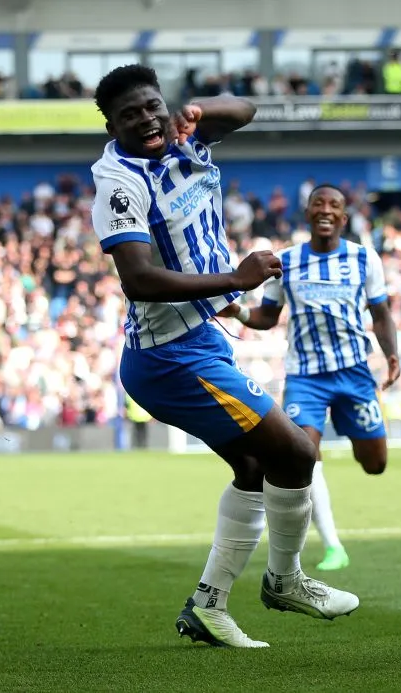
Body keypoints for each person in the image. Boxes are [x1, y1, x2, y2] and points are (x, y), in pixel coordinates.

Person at [90, 64, 358, 649]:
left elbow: (246, 109)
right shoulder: (118, 183)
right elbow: (137, 278)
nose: (146, 119)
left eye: (152, 106)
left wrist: (197, 110)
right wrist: (232, 280)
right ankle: (285, 580)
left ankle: (208, 606)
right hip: (169, 358)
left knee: (257, 469)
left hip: (198, 340)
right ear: (111, 124)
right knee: (294, 451)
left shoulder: (183, 136)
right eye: (130, 114)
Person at [221, 184, 400, 571]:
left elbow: (381, 313)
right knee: (302, 457)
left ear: (343, 217)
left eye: (334, 205)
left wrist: (391, 353)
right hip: (306, 377)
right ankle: (331, 545)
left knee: (375, 463)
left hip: (354, 374)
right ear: (307, 213)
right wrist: (239, 313)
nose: (325, 210)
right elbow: (268, 317)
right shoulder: (285, 261)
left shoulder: (364, 258)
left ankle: (349, 451)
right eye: (318, 203)